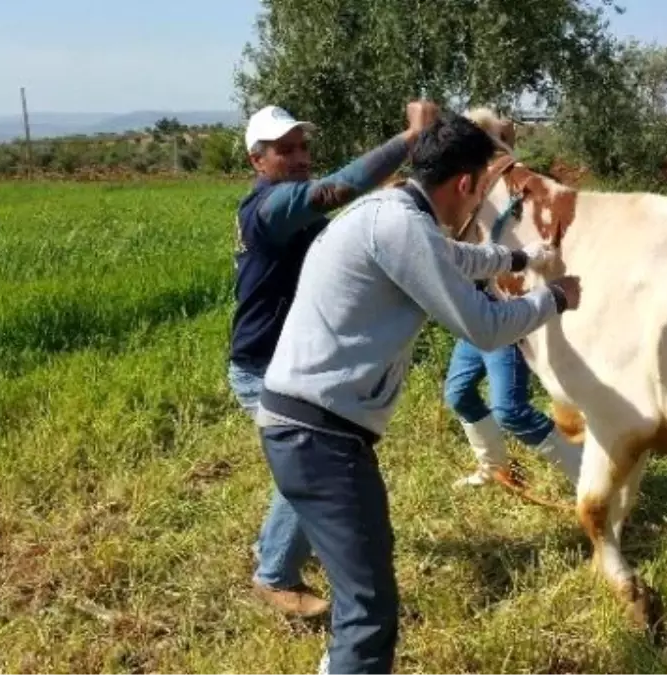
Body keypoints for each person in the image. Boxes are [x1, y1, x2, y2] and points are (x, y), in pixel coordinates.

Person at [254, 113, 582, 675]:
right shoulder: (401, 227)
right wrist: (555, 298)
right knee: (370, 611)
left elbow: (455, 258)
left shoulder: (390, 214)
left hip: (309, 428)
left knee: (366, 600)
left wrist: (520, 259)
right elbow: (483, 324)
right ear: (466, 185)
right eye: (481, 189)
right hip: (319, 436)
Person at [227, 99, 439, 619]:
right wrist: (409, 139)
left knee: (305, 462)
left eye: (303, 147)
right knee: (314, 460)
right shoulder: (269, 208)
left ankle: (274, 550)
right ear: (257, 161)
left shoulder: (290, 209)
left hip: (290, 362)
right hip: (263, 368)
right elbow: (335, 189)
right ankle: (274, 574)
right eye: (285, 150)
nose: (300, 157)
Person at [443, 338, 582, 489]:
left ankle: (588, 476)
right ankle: (494, 470)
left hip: (503, 328)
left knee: (510, 412)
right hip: (471, 332)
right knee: (459, 396)